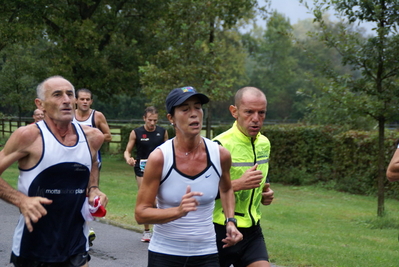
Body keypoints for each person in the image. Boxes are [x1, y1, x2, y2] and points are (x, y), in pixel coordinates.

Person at [0, 76, 107, 267]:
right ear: (40, 105)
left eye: (69, 94)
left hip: (75, 243)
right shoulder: (29, 136)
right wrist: (21, 200)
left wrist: (94, 188)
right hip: (33, 245)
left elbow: (91, 164)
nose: (66, 100)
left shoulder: (92, 137)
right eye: (57, 95)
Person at [135, 86, 243, 267]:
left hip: (206, 253)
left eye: (198, 107)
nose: (194, 114)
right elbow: (141, 214)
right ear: (171, 119)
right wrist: (178, 212)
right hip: (165, 253)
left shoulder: (220, 155)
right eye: (185, 109)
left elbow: (226, 188)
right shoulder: (160, 157)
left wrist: (230, 221)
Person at [213, 86, 275, 267]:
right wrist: (237, 184)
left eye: (261, 113)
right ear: (234, 111)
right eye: (249, 112)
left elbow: (263, 176)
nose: (256, 119)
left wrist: (266, 192)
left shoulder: (264, 143)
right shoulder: (220, 145)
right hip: (220, 229)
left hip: (252, 229)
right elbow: (202, 192)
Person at [124, 106, 168, 242]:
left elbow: (168, 150)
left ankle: (161, 229)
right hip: (141, 168)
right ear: (144, 119)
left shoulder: (162, 132)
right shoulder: (136, 132)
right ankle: (147, 231)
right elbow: (127, 151)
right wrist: (128, 159)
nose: (152, 123)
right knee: (146, 199)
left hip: (159, 168)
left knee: (160, 199)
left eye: (155, 120)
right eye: (150, 120)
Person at [73, 88, 112, 170]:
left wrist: (90, 138)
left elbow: (108, 136)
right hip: (72, 157)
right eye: (82, 99)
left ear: (91, 101)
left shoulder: (97, 116)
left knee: (91, 183)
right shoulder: (69, 116)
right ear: (76, 100)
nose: (85, 102)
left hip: (92, 158)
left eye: (87, 99)